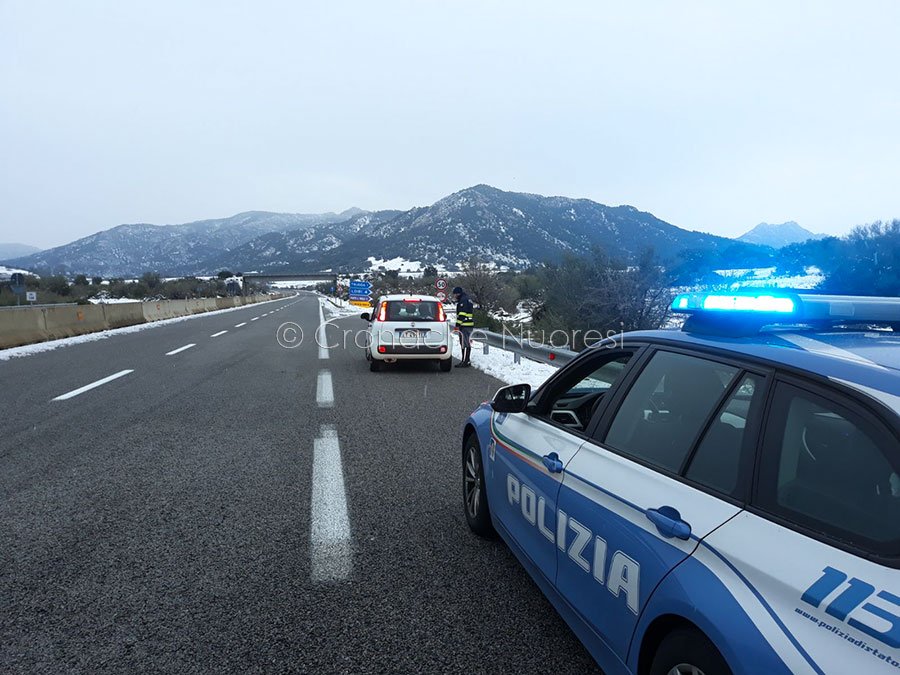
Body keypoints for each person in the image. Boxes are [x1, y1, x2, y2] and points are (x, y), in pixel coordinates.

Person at [452, 286, 474, 368]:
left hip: (465, 325)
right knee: (466, 343)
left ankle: (465, 361)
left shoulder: (463, 301)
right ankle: (466, 360)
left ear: (458, 293)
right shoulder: (467, 299)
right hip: (468, 324)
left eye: (454, 294)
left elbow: (462, 314)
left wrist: (457, 325)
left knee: (464, 343)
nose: (454, 296)